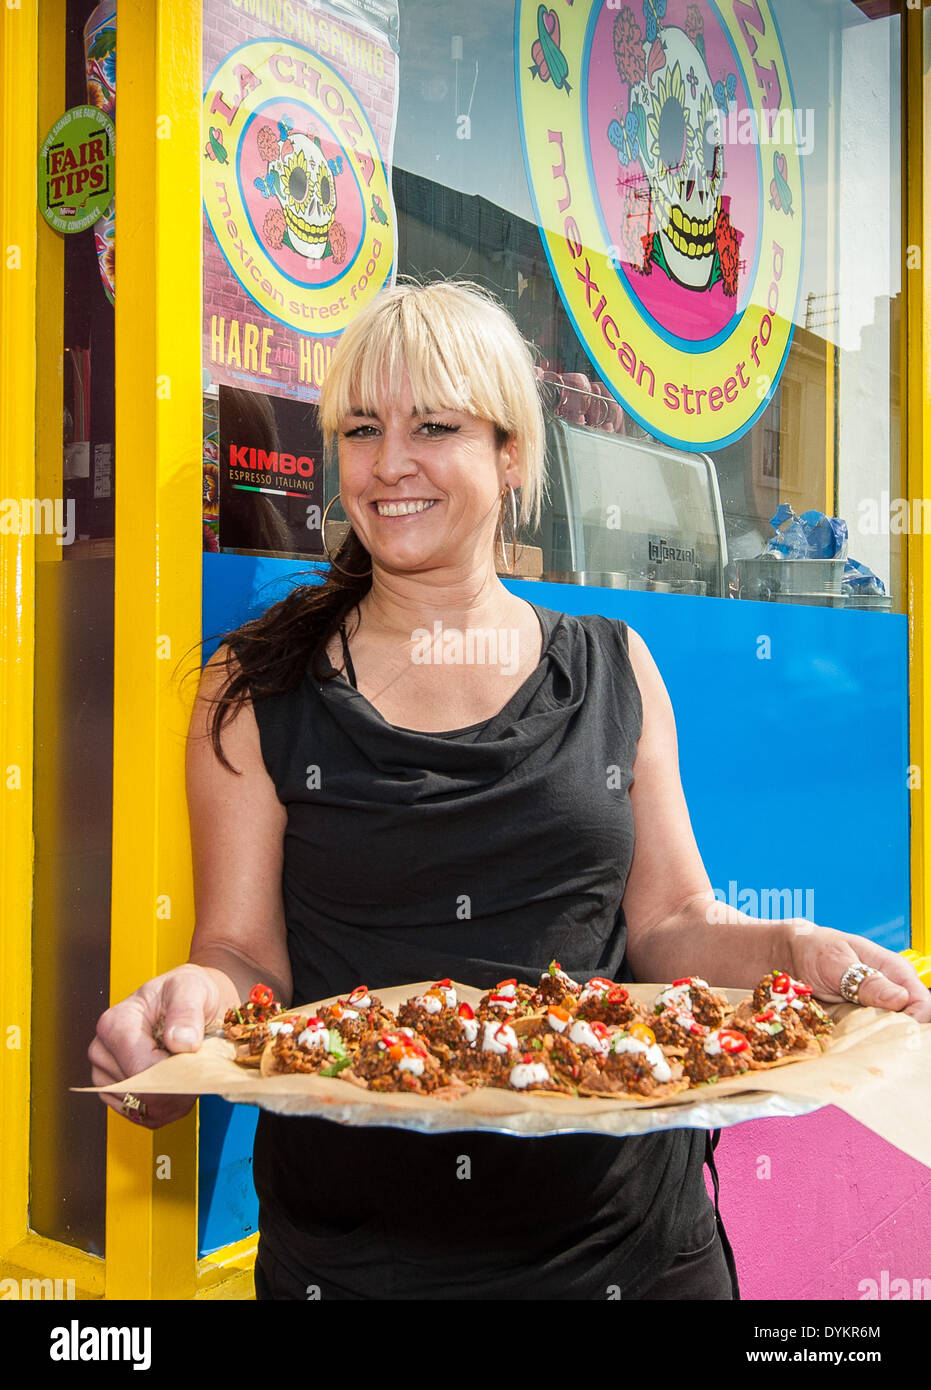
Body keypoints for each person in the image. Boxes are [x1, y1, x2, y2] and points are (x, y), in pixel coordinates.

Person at [89, 279, 931, 1301]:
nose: (391, 463)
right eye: (361, 429)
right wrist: (190, 1017)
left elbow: (669, 924)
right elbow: (238, 955)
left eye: (434, 425)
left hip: (633, 1250)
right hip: (363, 1264)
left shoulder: (616, 668)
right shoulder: (254, 689)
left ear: (511, 453)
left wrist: (792, 952)